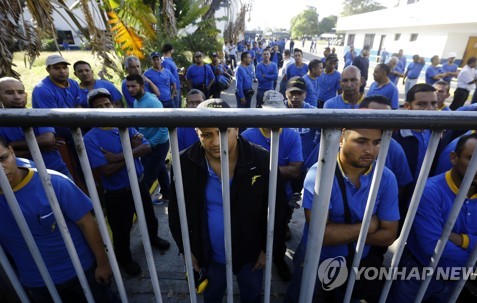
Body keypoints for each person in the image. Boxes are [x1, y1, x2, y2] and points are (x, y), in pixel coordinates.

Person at [169, 99, 285, 302]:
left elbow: (279, 208)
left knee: (251, 293)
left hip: (251, 254)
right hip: (208, 255)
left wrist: (268, 248)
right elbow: (176, 213)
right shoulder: (184, 163)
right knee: (212, 295)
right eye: (207, 134)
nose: (215, 142)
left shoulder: (261, 160)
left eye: (223, 132)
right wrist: (187, 250)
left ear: (237, 128)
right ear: (197, 132)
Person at [285, 127, 399, 302]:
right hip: (316, 258)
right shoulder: (319, 174)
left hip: (357, 260)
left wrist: (340, 232)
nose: (370, 150)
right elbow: (322, 235)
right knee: (302, 296)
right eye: (361, 141)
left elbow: (389, 236)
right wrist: (369, 226)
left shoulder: (386, 178)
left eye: (377, 142)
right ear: (341, 139)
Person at [0, 136, 119, 302]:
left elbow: (87, 224)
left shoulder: (52, 182)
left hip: (82, 271)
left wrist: (103, 264)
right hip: (38, 283)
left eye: (3, 158)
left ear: (12, 152)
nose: (1, 169)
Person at [389, 133, 477, 302]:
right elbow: (432, 246)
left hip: (457, 279)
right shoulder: (429, 192)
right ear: (454, 158)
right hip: (417, 274)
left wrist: (463, 240)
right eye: (475, 158)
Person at [83, 88, 170, 276]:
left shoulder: (123, 126)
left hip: (137, 183)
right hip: (117, 192)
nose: (105, 109)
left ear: (113, 105)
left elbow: (146, 147)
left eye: (107, 104)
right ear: (91, 110)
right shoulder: (90, 138)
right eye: (99, 107)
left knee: (148, 216)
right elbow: (106, 170)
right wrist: (131, 148)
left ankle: (152, 238)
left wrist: (117, 156)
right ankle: (125, 259)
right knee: (121, 229)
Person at [241, 90, 303, 281]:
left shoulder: (292, 135)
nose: (273, 117)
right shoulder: (247, 135)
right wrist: (277, 170)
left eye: (278, 111)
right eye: (269, 111)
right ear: (260, 109)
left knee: (277, 230)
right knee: (251, 228)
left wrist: (259, 170)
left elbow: (296, 170)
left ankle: (278, 259)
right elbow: (241, 171)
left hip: (280, 194)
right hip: (252, 195)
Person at [0, 77, 70, 177]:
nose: (17, 97)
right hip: (24, 176)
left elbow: (47, 140)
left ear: (26, 95)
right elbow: (3, 156)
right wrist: (43, 147)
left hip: (57, 170)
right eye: (9, 93)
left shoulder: (39, 114)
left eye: (20, 92)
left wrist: (12, 145)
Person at [393, 83, 438, 217]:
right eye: (422, 104)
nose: (429, 109)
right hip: (399, 202)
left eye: (434, 104)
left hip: (423, 200)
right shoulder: (396, 135)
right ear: (407, 106)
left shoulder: (434, 132)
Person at [126, 74, 170, 205]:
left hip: (158, 145)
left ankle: (142, 207)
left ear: (142, 85)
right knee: (161, 169)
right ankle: (168, 194)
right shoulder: (136, 102)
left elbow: (163, 129)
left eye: (133, 86)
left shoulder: (152, 102)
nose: (130, 89)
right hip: (148, 144)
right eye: (128, 87)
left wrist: (150, 144)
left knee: (146, 178)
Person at [161, 44, 182, 108]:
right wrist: (172, 90)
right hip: (173, 89)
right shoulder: (165, 61)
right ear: (171, 51)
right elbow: (167, 76)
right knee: (174, 111)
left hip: (177, 88)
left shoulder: (170, 61)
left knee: (178, 108)